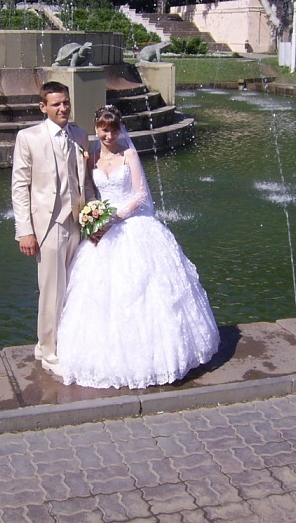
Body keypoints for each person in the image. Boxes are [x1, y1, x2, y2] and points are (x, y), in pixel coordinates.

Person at [57, 106, 220, 390]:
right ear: (96, 129)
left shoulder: (128, 155)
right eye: (104, 130)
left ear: (119, 130)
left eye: (113, 130)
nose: (109, 136)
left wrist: (113, 218)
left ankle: (155, 358)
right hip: (103, 231)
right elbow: (90, 191)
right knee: (99, 296)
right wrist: (94, 217)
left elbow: (141, 194)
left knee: (145, 293)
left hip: (132, 225)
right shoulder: (91, 157)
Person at [11, 82, 96, 376]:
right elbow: (19, 186)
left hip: (77, 222)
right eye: (56, 104)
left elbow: (85, 182)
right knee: (51, 290)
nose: (63, 108)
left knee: (73, 286)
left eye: (66, 103)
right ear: (43, 107)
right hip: (48, 225)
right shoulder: (28, 137)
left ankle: (52, 342)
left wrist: (92, 216)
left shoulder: (80, 136)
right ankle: (49, 351)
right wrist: (25, 231)